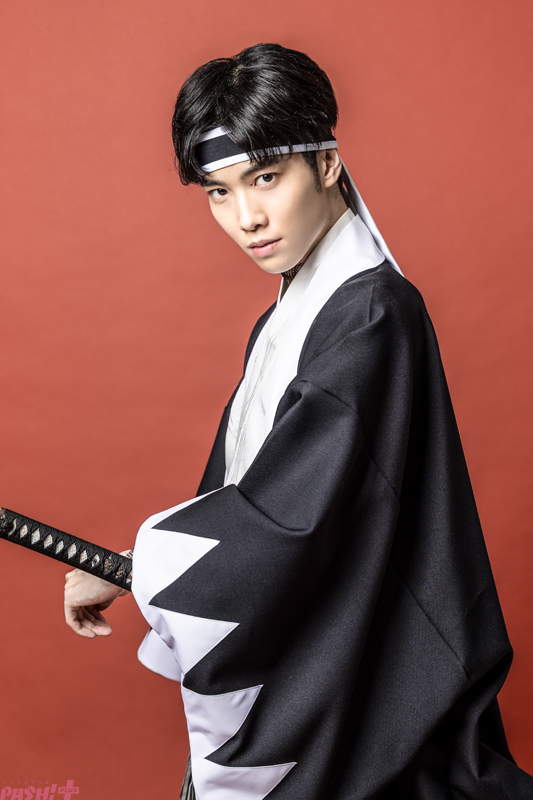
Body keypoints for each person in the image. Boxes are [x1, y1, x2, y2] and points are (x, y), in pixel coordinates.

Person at [64, 43, 533, 799]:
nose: (246, 218)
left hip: (368, 685)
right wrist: (132, 568)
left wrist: (137, 569)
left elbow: (296, 517)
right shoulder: (296, 310)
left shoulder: (369, 312)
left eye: (266, 177)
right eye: (218, 193)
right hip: (322, 654)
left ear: (327, 162)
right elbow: (259, 495)